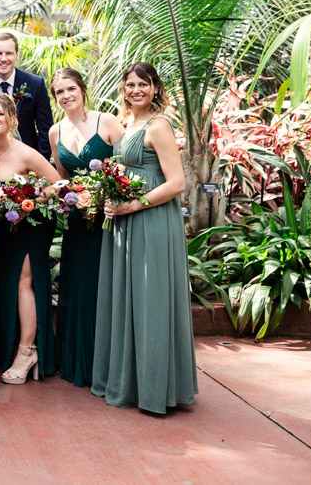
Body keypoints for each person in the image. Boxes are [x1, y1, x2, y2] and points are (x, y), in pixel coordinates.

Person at [92, 62, 198, 414]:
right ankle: (130, 381)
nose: (135, 90)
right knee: (129, 299)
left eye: (143, 84)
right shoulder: (128, 124)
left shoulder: (159, 125)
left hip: (151, 222)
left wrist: (133, 205)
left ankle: (155, 389)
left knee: (150, 300)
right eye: (130, 85)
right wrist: (110, 199)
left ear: (155, 88)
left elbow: (177, 183)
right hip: (125, 221)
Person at [48, 68, 124, 388]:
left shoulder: (106, 122)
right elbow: (63, 175)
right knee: (77, 286)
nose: (66, 96)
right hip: (78, 222)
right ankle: (79, 361)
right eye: (59, 92)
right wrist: (71, 197)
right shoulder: (55, 132)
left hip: (110, 217)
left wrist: (106, 194)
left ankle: (108, 364)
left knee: (103, 285)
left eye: (70, 89)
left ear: (82, 89)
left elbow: (129, 164)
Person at [0, 93, 60, 384]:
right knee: (7, 286)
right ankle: (8, 346)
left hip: (32, 226)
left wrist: (30, 202)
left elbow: (57, 184)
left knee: (24, 283)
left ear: (12, 120)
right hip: (2, 228)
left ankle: (28, 352)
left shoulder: (26, 152)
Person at [0, 31, 52, 158]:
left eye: (9, 53)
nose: (3, 59)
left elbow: (45, 129)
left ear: (17, 55)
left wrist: (39, 162)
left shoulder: (35, 84)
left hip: (27, 157)